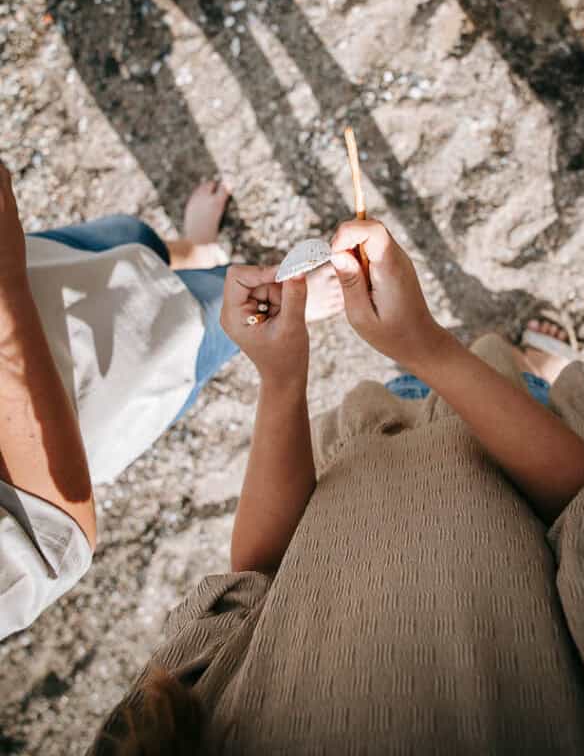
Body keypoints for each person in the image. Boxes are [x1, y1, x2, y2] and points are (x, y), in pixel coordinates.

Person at [90, 218, 584, 755]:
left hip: (361, 451)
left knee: (401, 395)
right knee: (512, 380)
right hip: (513, 454)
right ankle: (531, 372)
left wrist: (281, 376)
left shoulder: (145, 737)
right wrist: (426, 345)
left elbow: (256, 576)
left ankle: (436, 380)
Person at [0, 161, 342, 640]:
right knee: (208, 314)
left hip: (45, 265)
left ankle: (196, 248)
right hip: (109, 371)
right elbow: (52, 541)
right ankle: (289, 303)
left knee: (128, 234)